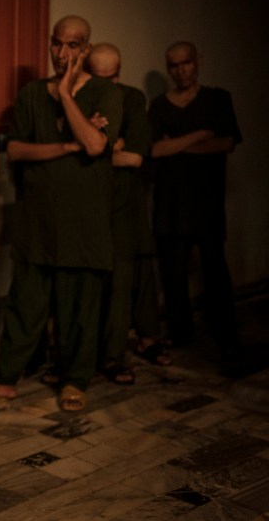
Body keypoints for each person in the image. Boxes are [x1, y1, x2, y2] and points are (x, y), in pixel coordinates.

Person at [0, 16, 122, 412]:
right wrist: (68, 146)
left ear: (86, 50)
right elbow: (18, 151)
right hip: (38, 219)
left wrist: (68, 97)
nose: (62, 53)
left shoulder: (107, 92)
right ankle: (5, 381)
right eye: (57, 44)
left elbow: (95, 145)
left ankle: (75, 381)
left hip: (84, 223)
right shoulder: (31, 95)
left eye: (73, 45)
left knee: (80, 310)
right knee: (25, 305)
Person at [148, 41, 242, 365]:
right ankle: (180, 330)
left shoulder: (218, 99)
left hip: (206, 202)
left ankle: (226, 334)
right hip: (170, 203)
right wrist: (199, 135)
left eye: (185, 63)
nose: (180, 70)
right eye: (173, 65)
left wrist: (176, 145)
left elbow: (226, 142)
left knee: (216, 272)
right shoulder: (159, 106)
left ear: (197, 61)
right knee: (172, 275)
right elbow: (155, 151)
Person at [88, 42, 170, 385]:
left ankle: (115, 354)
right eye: (100, 77)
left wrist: (97, 151)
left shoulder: (132, 99)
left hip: (124, 203)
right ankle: (96, 353)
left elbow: (135, 156)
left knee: (126, 277)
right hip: (90, 203)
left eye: (112, 76)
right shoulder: (83, 97)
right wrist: (105, 148)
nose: (108, 84)